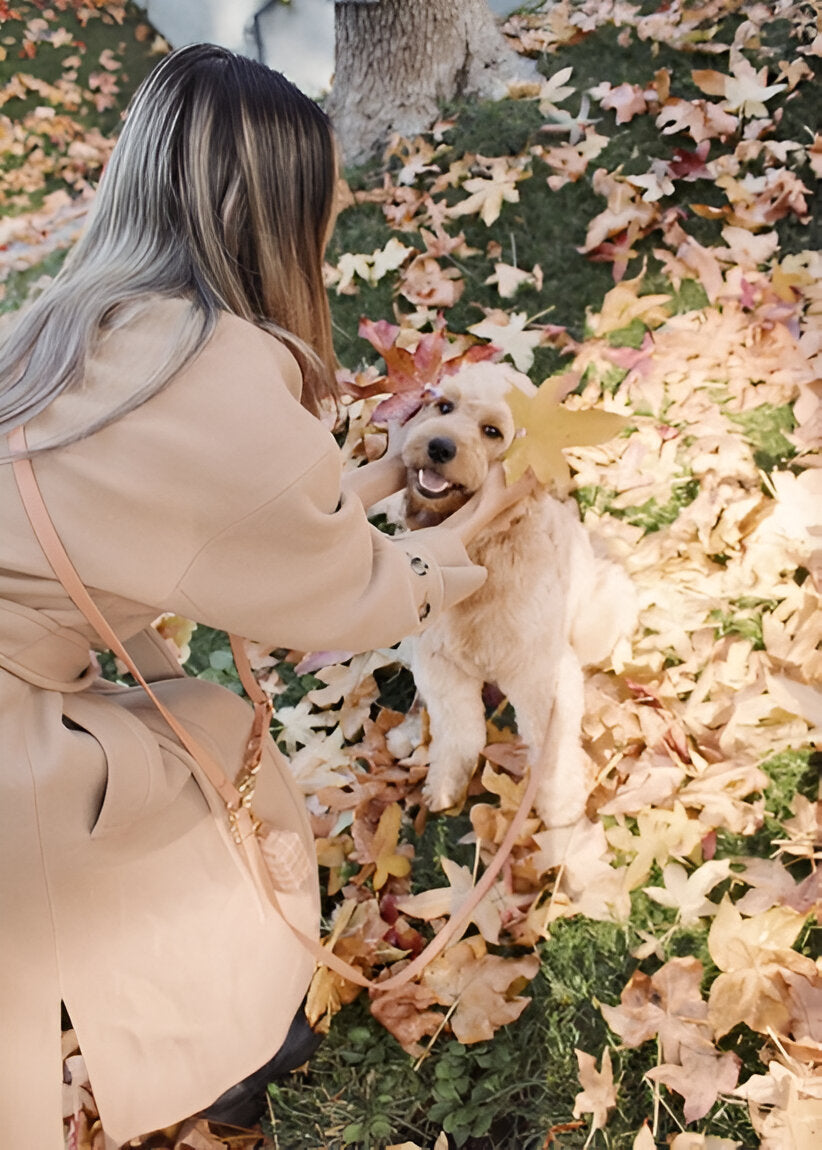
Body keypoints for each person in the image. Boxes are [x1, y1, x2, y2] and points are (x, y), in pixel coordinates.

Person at [0, 44, 528, 1150]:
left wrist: (367, 475)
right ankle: (234, 1051)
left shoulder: (69, 323)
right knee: (210, 830)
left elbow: (180, 503)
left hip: (32, 686)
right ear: (275, 217)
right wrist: (452, 551)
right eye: (323, 211)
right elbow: (349, 595)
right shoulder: (219, 376)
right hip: (20, 745)